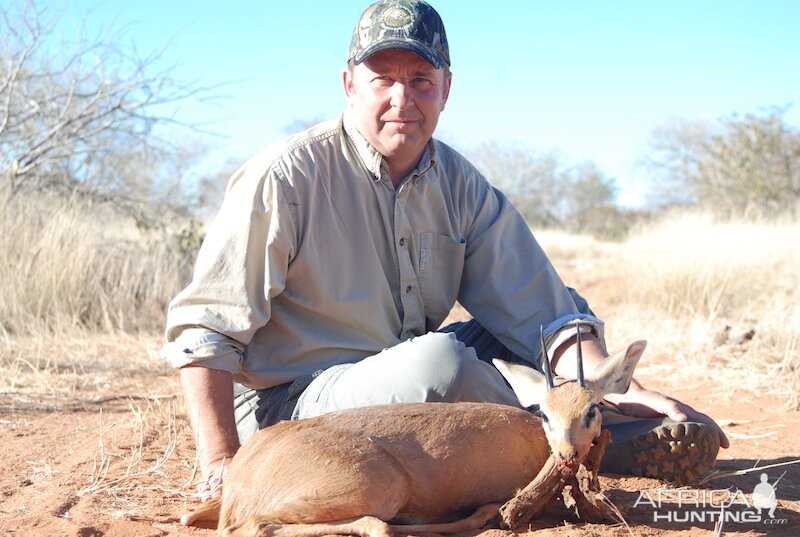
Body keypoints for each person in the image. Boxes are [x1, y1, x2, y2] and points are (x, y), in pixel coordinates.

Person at [163, 0, 728, 501]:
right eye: (381, 78)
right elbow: (205, 331)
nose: (401, 99)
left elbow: (545, 310)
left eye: (421, 79)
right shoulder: (287, 176)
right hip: (294, 411)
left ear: (447, 89)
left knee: (550, 328)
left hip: (401, 384)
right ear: (348, 84)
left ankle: (592, 422)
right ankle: (585, 446)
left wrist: (613, 389)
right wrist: (220, 464)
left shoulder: (461, 184)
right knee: (443, 364)